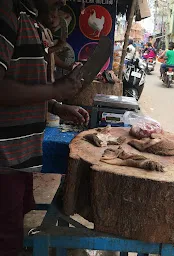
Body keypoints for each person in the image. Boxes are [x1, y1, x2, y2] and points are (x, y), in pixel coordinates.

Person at [0, 1, 90, 255]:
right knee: (6, 240)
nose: (60, 5)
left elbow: (22, 81)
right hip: (4, 159)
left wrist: (56, 105)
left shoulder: (29, 19)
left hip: (21, 156)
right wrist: (55, 90)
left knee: (17, 225)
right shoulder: (8, 14)